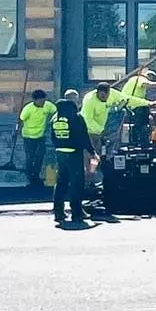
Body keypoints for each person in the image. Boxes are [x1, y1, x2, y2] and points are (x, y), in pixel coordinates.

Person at [49, 94, 97, 226]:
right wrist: (92, 152)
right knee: (76, 183)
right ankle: (77, 212)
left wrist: (59, 146)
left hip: (60, 153)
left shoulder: (54, 118)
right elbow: (83, 136)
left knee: (61, 183)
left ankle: (58, 211)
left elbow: (52, 136)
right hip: (74, 153)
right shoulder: (76, 117)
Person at [16, 89, 57, 188]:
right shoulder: (28, 109)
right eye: (41, 101)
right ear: (35, 100)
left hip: (40, 136)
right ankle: (30, 179)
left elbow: (56, 111)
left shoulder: (48, 106)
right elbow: (20, 120)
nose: (43, 103)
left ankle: (36, 176)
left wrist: (52, 121)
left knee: (39, 156)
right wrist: (16, 132)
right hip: (28, 137)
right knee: (30, 158)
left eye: (44, 100)